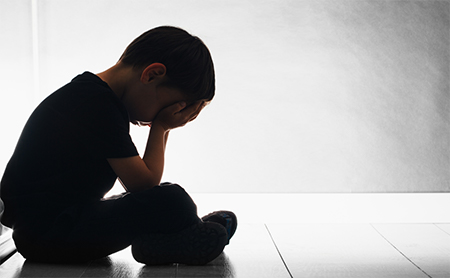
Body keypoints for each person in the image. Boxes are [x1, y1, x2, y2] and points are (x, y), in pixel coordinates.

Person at [0, 26, 237, 265]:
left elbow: (143, 187)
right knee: (172, 199)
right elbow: (143, 184)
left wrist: (162, 124)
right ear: (152, 74)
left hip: (50, 227)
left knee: (165, 198)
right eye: (171, 108)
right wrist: (161, 127)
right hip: (50, 235)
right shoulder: (97, 104)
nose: (158, 117)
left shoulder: (93, 96)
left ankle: (177, 235)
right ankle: (182, 232)